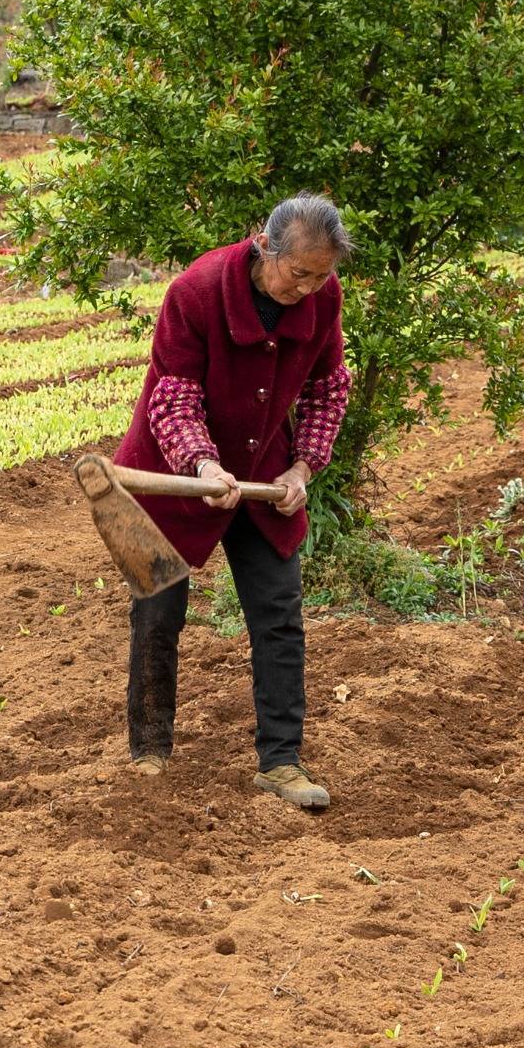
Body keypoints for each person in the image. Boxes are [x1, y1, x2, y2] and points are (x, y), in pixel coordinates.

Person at [112, 194, 353, 811]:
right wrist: (203, 463)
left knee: (279, 614)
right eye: (297, 273)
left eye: (321, 276)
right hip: (167, 473)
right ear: (264, 246)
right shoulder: (194, 292)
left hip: (264, 473)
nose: (306, 288)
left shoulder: (324, 300)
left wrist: (304, 467)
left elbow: (329, 389)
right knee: (157, 610)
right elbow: (174, 396)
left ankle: (281, 761)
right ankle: (150, 751)